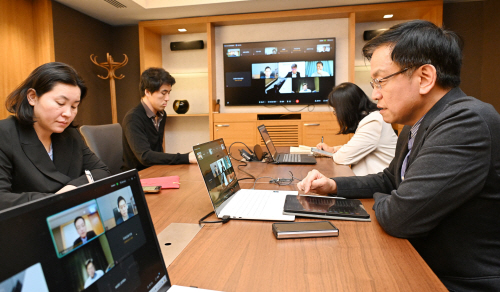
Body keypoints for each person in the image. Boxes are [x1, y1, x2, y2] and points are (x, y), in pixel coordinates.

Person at [298, 20, 500, 291]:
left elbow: (400, 217)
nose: (374, 93)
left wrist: (393, 199)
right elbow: (389, 179)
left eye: (381, 80)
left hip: (452, 280)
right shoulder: (415, 124)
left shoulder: (466, 122)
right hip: (417, 259)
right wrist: (334, 185)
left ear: (425, 77)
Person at [0, 62, 110, 211]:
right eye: (60, 103)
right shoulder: (5, 133)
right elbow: (2, 199)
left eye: (74, 106)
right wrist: (58, 199)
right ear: (32, 97)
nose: (68, 114)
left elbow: (101, 171)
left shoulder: (70, 135)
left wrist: (72, 188)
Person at [121, 68, 196, 171]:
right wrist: (186, 158)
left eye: (169, 93)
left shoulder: (161, 114)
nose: (167, 98)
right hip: (138, 177)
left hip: (155, 171)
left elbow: (158, 152)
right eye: (163, 93)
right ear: (147, 92)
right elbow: (145, 157)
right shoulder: (133, 118)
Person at [316, 82, 397, 175]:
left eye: (336, 111)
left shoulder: (373, 122)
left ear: (346, 109)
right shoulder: (372, 118)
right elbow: (357, 146)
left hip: (380, 184)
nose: (337, 114)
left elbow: (343, 158)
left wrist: (336, 152)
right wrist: (332, 149)